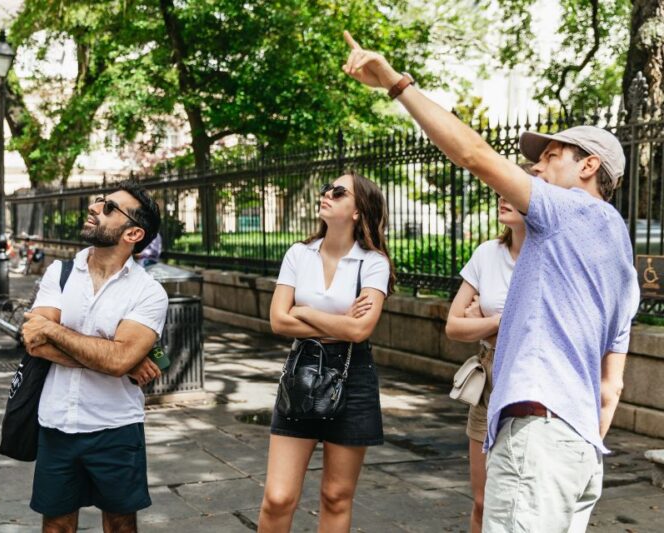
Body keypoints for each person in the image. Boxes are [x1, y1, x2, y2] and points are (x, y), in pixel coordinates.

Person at [343, 32, 639, 531]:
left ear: (589, 166)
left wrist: (396, 85)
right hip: (581, 449)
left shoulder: (570, 212)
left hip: (540, 437)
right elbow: (612, 386)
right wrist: (581, 445)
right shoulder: (622, 259)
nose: (537, 167)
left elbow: (474, 154)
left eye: (551, 157)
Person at [21, 181, 169, 533]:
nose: (95, 207)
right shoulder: (61, 272)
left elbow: (115, 360)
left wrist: (55, 331)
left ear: (132, 232)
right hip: (56, 422)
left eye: (108, 208)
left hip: (114, 427)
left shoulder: (148, 292)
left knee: (120, 525)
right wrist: (118, 358)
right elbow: (33, 342)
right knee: (56, 526)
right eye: (100, 200)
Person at [258, 172, 395, 533]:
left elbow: (361, 330)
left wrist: (303, 312)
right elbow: (277, 321)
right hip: (303, 369)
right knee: (277, 497)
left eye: (338, 191)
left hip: (354, 375)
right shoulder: (298, 254)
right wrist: (336, 323)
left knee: (336, 496)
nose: (327, 195)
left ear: (357, 210)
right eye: (326, 189)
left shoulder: (373, 262)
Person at [445, 190, 527, 533]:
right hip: (490, 376)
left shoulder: (548, 256)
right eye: (499, 194)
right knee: (482, 501)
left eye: (512, 193)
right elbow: (453, 325)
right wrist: (497, 324)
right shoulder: (487, 253)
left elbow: (538, 332)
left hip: (529, 379)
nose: (502, 199)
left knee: (520, 506)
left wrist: (482, 318)